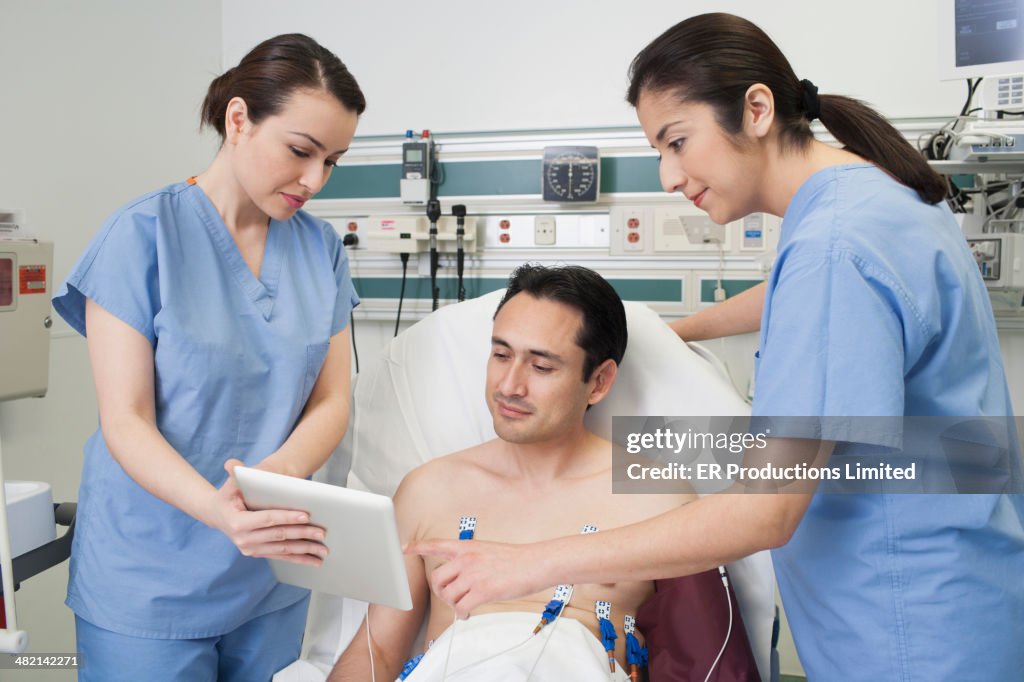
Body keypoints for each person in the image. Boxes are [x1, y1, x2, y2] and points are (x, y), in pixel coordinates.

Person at [409, 13, 1024, 681]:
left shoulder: (833, 246)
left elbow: (765, 511)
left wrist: (534, 561)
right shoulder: (877, 201)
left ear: (756, 110)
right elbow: (807, 295)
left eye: (678, 141)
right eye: (658, 152)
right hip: (963, 582)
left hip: (904, 622)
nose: (669, 176)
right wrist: (675, 331)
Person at [51, 34, 365, 681]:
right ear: (239, 119)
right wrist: (220, 510)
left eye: (332, 161)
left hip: (270, 574)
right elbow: (126, 421)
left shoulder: (320, 249)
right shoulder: (141, 236)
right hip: (151, 577)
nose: (315, 180)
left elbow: (334, 398)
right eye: (301, 152)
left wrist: (281, 469)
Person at [328, 264, 693, 681]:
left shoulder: (657, 498)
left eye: (541, 367)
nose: (509, 386)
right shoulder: (429, 491)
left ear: (599, 381)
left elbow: (701, 652)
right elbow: (377, 649)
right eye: (501, 355)